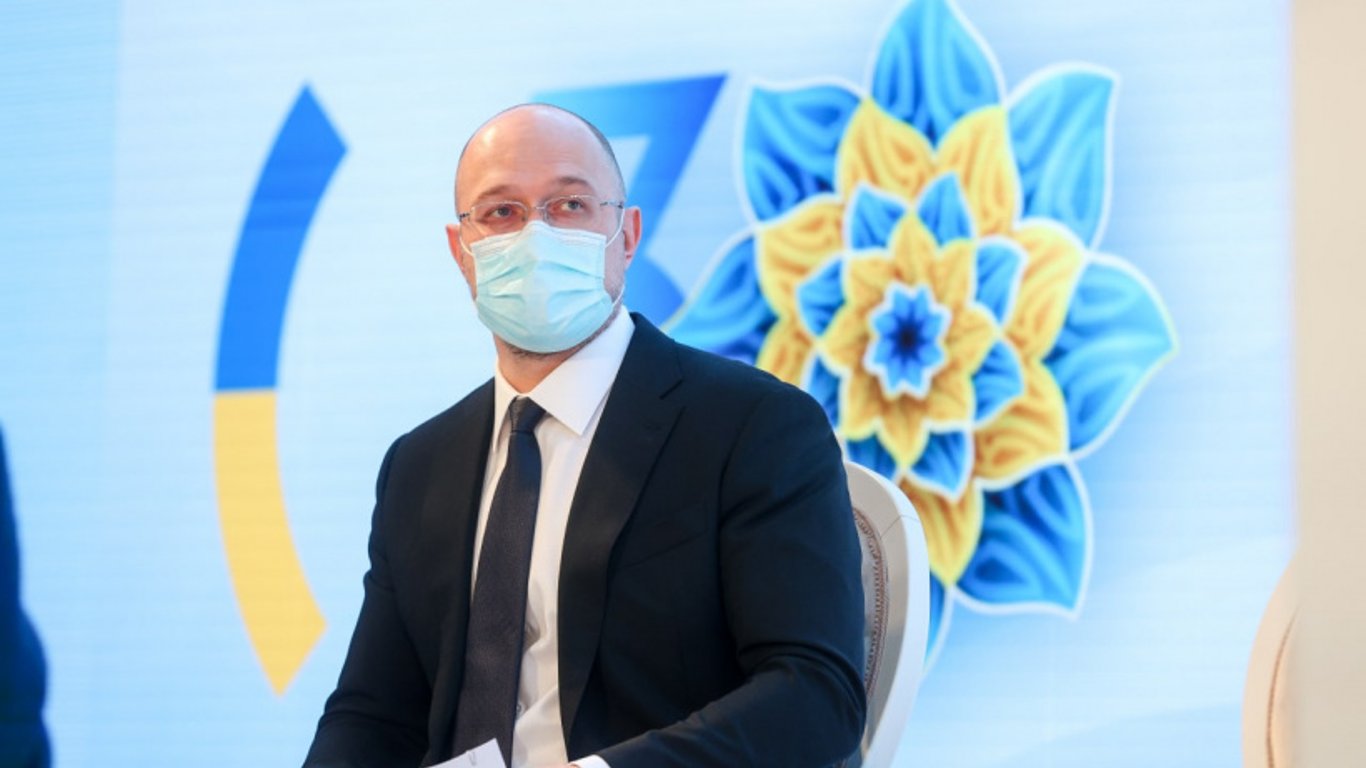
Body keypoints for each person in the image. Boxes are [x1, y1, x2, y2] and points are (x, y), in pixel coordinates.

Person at [303, 104, 866, 768]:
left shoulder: (753, 427)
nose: (534, 236)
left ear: (626, 236)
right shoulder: (419, 465)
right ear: (462, 253)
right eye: (501, 213)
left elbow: (814, 696)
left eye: (569, 205)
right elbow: (372, 716)